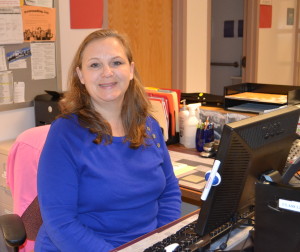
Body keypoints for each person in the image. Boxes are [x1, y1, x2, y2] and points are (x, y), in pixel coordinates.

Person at [35, 29, 182, 251]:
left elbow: (169, 191)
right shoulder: (65, 133)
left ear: (131, 70)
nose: (107, 72)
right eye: (94, 65)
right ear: (81, 75)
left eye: (116, 62)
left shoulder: (149, 126)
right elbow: (60, 223)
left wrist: (160, 241)